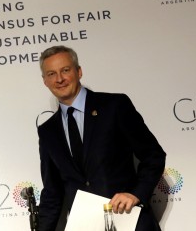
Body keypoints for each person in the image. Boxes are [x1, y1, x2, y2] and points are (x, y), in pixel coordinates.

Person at [37, 45, 166, 231]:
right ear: (45, 81)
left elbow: (153, 155)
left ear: (79, 71)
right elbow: (52, 192)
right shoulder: (47, 131)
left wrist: (135, 194)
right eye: (51, 74)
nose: (59, 79)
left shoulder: (114, 106)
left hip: (130, 222)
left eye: (65, 70)